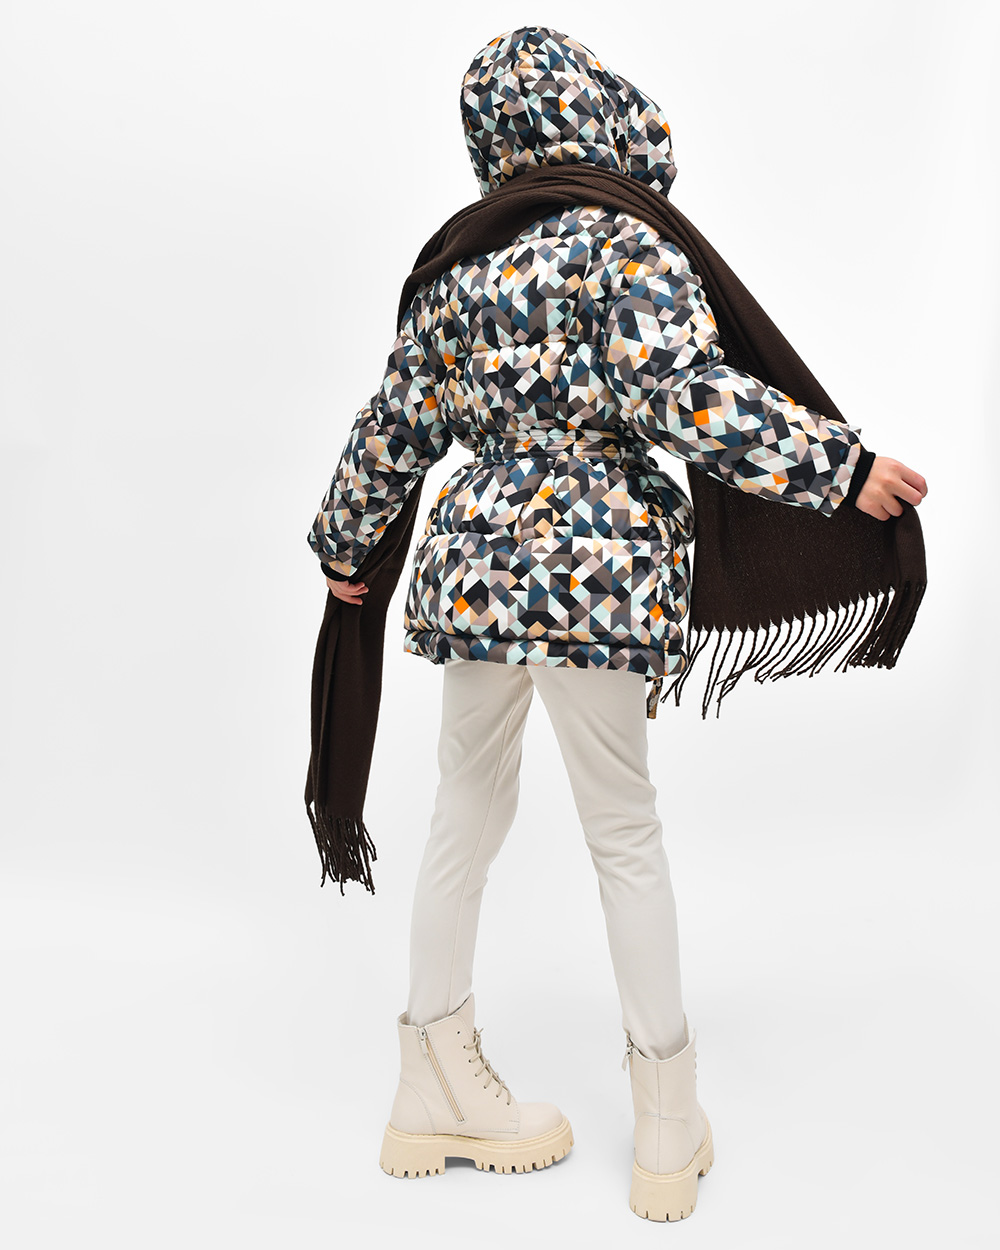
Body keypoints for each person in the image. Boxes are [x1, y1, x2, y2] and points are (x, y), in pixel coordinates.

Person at [307, 27, 927, 1221]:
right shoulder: (622, 241)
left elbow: (392, 424)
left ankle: (429, 1078)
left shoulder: (457, 264)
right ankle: (664, 1123)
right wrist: (838, 467)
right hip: (595, 578)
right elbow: (684, 397)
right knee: (624, 832)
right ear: (593, 109)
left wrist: (347, 544)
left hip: (477, 578)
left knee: (461, 817)